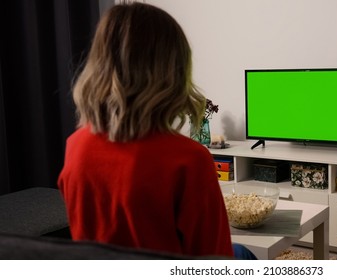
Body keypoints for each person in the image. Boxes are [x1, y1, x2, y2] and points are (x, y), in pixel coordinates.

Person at [58, 2, 255, 259]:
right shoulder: (188, 159)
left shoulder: (76, 145)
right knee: (243, 254)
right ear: (174, 71)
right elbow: (215, 260)